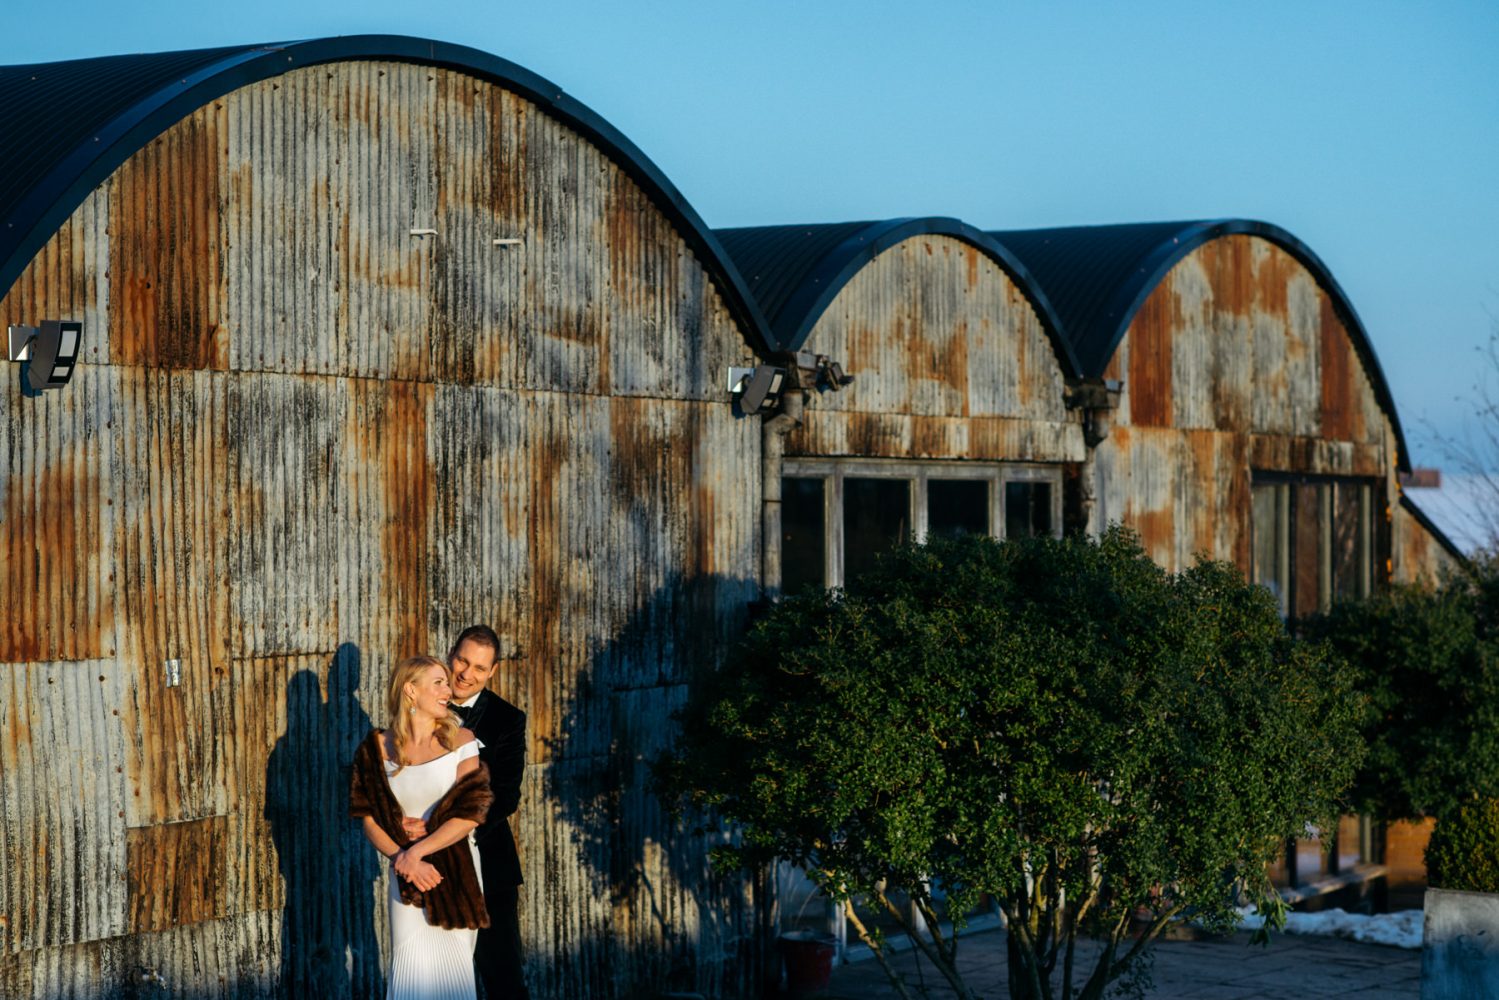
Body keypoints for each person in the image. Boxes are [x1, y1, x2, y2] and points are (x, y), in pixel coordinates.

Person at [350, 655, 493, 1000]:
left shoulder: (462, 740)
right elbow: (366, 815)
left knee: (453, 976)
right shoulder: (375, 748)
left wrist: (416, 852)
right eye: (439, 683)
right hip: (406, 880)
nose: (449, 690)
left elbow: (470, 814)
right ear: (411, 690)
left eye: (446, 682)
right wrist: (403, 857)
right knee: (409, 971)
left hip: (455, 876)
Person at [423, 625, 530, 999]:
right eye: (462, 661)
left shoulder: (508, 719)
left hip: (488, 863)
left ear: (493, 672)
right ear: (451, 654)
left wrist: (452, 824)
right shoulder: (420, 702)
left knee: (503, 978)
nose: (466, 674)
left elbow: (506, 796)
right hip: (426, 867)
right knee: (435, 978)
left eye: (479, 668)